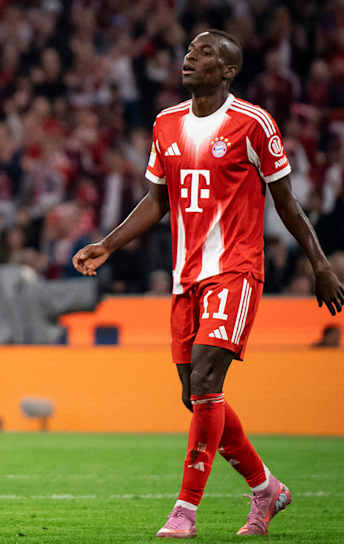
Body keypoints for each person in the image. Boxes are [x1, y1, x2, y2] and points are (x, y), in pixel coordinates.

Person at [72, 30, 344, 538]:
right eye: (190, 51)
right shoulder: (165, 124)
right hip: (186, 275)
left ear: (228, 71)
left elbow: (285, 200)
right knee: (194, 396)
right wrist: (108, 245)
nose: (191, 58)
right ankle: (267, 490)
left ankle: (185, 512)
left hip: (236, 269)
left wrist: (319, 263)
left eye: (206, 54)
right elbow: (157, 201)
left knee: (204, 383)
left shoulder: (253, 123)